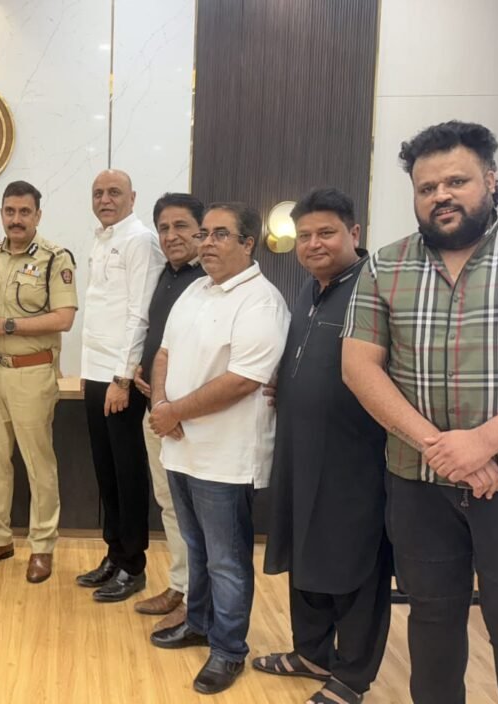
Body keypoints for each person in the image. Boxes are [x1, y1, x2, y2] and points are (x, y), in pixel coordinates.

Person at [342, 120, 498, 704]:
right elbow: (359, 368)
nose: (441, 195)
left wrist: (482, 442)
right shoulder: (385, 266)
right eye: (426, 187)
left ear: (490, 180)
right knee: (431, 622)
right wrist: (442, 448)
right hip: (419, 482)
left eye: (456, 181)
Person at [252, 188, 391, 704]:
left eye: (326, 233)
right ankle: (311, 652)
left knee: (354, 564)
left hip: (355, 457)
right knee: (305, 553)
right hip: (301, 451)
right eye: (304, 235)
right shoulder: (311, 290)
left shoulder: (375, 288)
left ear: (354, 233)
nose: (313, 244)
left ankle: (351, 677)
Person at [148, 202, 289, 695]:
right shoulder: (195, 290)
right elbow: (164, 352)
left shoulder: (261, 302)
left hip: (226, 458)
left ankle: (228, 650)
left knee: (226, 560)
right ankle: (199, 623)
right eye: (204, 233)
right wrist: (161, 405)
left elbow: (243, 380)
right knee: (197, 549)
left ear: (248, 244)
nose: (206, 242)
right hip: (181, 447)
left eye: (220, 234)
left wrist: (173, 412)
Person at [0, 180, 78, 583]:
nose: (16, 219)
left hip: (32, 372)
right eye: (10, 211)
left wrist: (6, 325)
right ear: (1, 214)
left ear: (37, 215)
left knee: (37, 463)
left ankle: (42, 546)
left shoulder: (55, 258)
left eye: (24, 212)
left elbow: (64, 318)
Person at [76, 169, 164, 602]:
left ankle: (134, 564)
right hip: (96, 373)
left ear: (132, 197)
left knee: (127, 472)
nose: (105, 199)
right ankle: (114, 553)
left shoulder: (140, 240)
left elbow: (139, 314)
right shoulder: (102, 239)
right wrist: (89, 371)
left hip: (119, 378)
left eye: (114, 192)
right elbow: (100, 312)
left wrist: (122, 377)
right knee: (106, 470)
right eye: (98, 193)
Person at [131, 193, 206, 629]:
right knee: (169, 503)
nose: (171, 235)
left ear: (201, 230)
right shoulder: (164, 275)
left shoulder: (209, 280)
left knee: (193, 510)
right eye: (163, 227)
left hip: (191, 417)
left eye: (181, 226)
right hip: (155, 410)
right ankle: (180, 585)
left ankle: (197, 599)